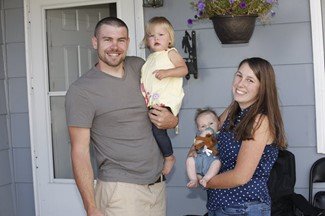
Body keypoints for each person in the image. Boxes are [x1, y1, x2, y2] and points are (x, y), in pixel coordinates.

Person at [65, 17, 178, 216]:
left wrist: (173, 120)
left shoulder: (140, 67)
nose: (115, 46)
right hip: (120, 192)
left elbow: (167, 99)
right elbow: (80, 152)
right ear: (95, 42)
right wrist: (90, 206)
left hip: (157, 186)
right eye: (107, 39)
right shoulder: (82, 91)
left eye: (121, 40)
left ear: (128, 42)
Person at [188, 57, 287, 216]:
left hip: (244, 207)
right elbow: (205, 137)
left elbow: (240, 176)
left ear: (263, 88)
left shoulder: (260, 121)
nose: (240, 84)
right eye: (239, 75)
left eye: (250, 80)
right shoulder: (233, 110)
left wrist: (204, 180)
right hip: (218, 205)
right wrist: (195, 157)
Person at [140, 16, 188, 175]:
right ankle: (159, 157)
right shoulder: (150, 59)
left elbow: (184, 70)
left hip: (166, 99)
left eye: (161, 35)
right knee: (152, 129)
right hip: (153, 101)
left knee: (157, 130)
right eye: (152, 35)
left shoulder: (170, 53)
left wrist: (167, 72)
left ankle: (169, 157)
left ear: (169, 39)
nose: (156, 38)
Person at [186, 108, 222, 188]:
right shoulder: (199, 135)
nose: (208, 127)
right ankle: (193, 179)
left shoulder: (220, 135)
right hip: (199, 158)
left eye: (211, 123)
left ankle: (205, 179)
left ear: (219, 124)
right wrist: (203, 135)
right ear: (198, 129)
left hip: (211, 160)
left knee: (217, 163)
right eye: (203, 126)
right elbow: (196, 145)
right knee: (189, 160)